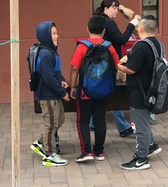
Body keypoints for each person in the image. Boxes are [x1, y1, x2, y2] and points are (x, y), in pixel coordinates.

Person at [70, 15, 121, 162]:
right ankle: (99, 151)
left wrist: (73, 87)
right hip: (104, 90)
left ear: (88, 29)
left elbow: (74, 68)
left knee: (83, 120)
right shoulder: (109, 46)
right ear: (104, 31)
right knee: (100, 120)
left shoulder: (82, 46)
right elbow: (117, 66)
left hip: (85, 91)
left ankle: (86, 151)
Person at [118, 15, 162, 170]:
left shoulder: (140, 46)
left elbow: (131, 69)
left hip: (140, 92)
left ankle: (141, 159)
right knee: (143, 121)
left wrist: (120, 66)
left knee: (140, 125)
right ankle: (151, 145)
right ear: (156, 30)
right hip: (153, 91)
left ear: (140, 29)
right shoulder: (159, 45)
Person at [93, 0, 140, 137]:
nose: (116, 11)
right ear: (106, 8)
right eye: (114, 8)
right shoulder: (109, 22)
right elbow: (122, 39)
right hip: (109, 62)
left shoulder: (98, 19)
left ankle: (91, 123)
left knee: (96, 91)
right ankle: (124, 127)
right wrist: (132, 24)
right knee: (115, 93)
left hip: (98, 61)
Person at [30, 21, 69, 167]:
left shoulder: (50, 51)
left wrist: (62, 80)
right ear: (45, 35)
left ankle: (40, 143)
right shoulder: (45, 54)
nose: (57, 36)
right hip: (48, 96)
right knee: (51, 124)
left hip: (53, 94)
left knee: (59, 119)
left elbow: (55, 72)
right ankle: (49, 155)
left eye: (56, 33)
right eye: (53, 33)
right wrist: (62, 92)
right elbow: (48, 78)